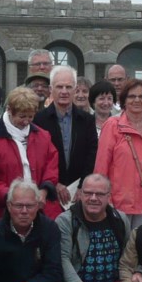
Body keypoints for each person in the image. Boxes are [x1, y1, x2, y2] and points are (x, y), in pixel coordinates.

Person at [0, 86, 61, 231]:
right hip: (2, 213)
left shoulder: (43, 136)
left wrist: (44, 190)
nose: (26, 121)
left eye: (30, 117)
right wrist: (12, 196)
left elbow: (51, 166)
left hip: (39, 210)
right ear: (9, 110)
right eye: (21, 116)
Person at [94, 78, 142, 231]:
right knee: (121, 242)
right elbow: (101, 166)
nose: (137, 100)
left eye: (141, 96)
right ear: (124, 100)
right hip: (119, 202)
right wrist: (103, 198)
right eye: (132, 96)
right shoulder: (112, 125)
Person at [34, 66, 98, 205]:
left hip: (79, 192)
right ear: (51, 89)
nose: (64, 91)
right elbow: (37, 157)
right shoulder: (38, 120)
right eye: (59, 87)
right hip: (49, 191)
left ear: (74, 89)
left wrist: (83, 185)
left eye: (68, 87)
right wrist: (54, 183)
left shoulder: (87, 120)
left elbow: (92, 154)